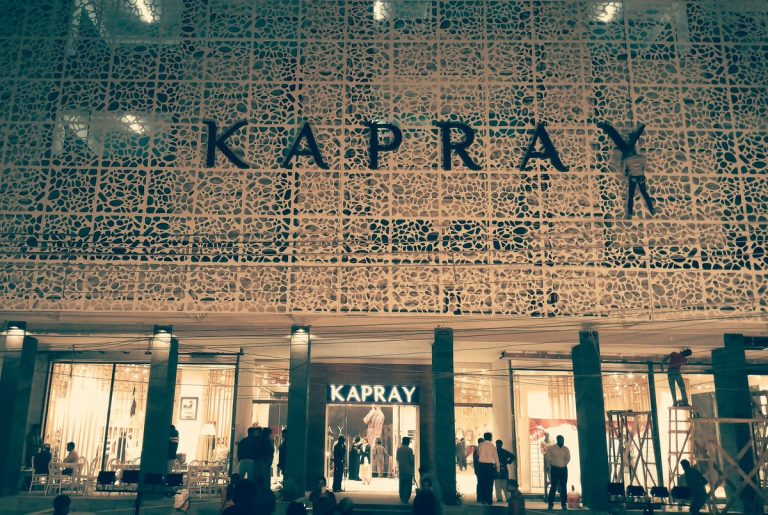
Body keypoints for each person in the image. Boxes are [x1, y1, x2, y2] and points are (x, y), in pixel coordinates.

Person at [622, 148, 655, 218]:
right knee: (644, 193)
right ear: (635, 151)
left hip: (632, 177)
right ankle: (651, 209)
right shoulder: (642, 157)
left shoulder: (626, 159)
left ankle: (630, 213)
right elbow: (645, 167)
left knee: (631, 195)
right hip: (640, 177)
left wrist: (627, 173)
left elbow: (623, 171)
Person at [546, 435, 570, 510]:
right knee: (553, 486)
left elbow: (568, 458)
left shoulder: (566, 449)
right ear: (557, 440)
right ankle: (550, 503)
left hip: (563, 469)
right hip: (554, 469)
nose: (562, 441)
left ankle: (563, 504)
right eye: (560, 439)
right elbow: (547, 456)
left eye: (563, 439)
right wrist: (552, 463)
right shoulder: (552, 448)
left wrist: (563, 464)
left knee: (563, 486)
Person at [476, 432, 500, 505]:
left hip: (481, 466)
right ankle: (489, 500)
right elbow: (496, 458)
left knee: (482, 483)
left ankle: (483, 499)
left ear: (484, 437)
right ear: (491, 438)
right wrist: (498, 469)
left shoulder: (480, 445)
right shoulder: (493, 447)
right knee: (489, 484)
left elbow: (478, 455)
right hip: (489, 466)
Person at [396, 436, 415, 503]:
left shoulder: (399, 449)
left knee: (402, 483)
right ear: (408, 442)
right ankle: (406, 498)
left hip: (402, 469)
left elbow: (397, 459)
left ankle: (402, 496)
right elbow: (411, 460)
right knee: (408, 484)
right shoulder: (410, 450)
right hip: (408, 469)